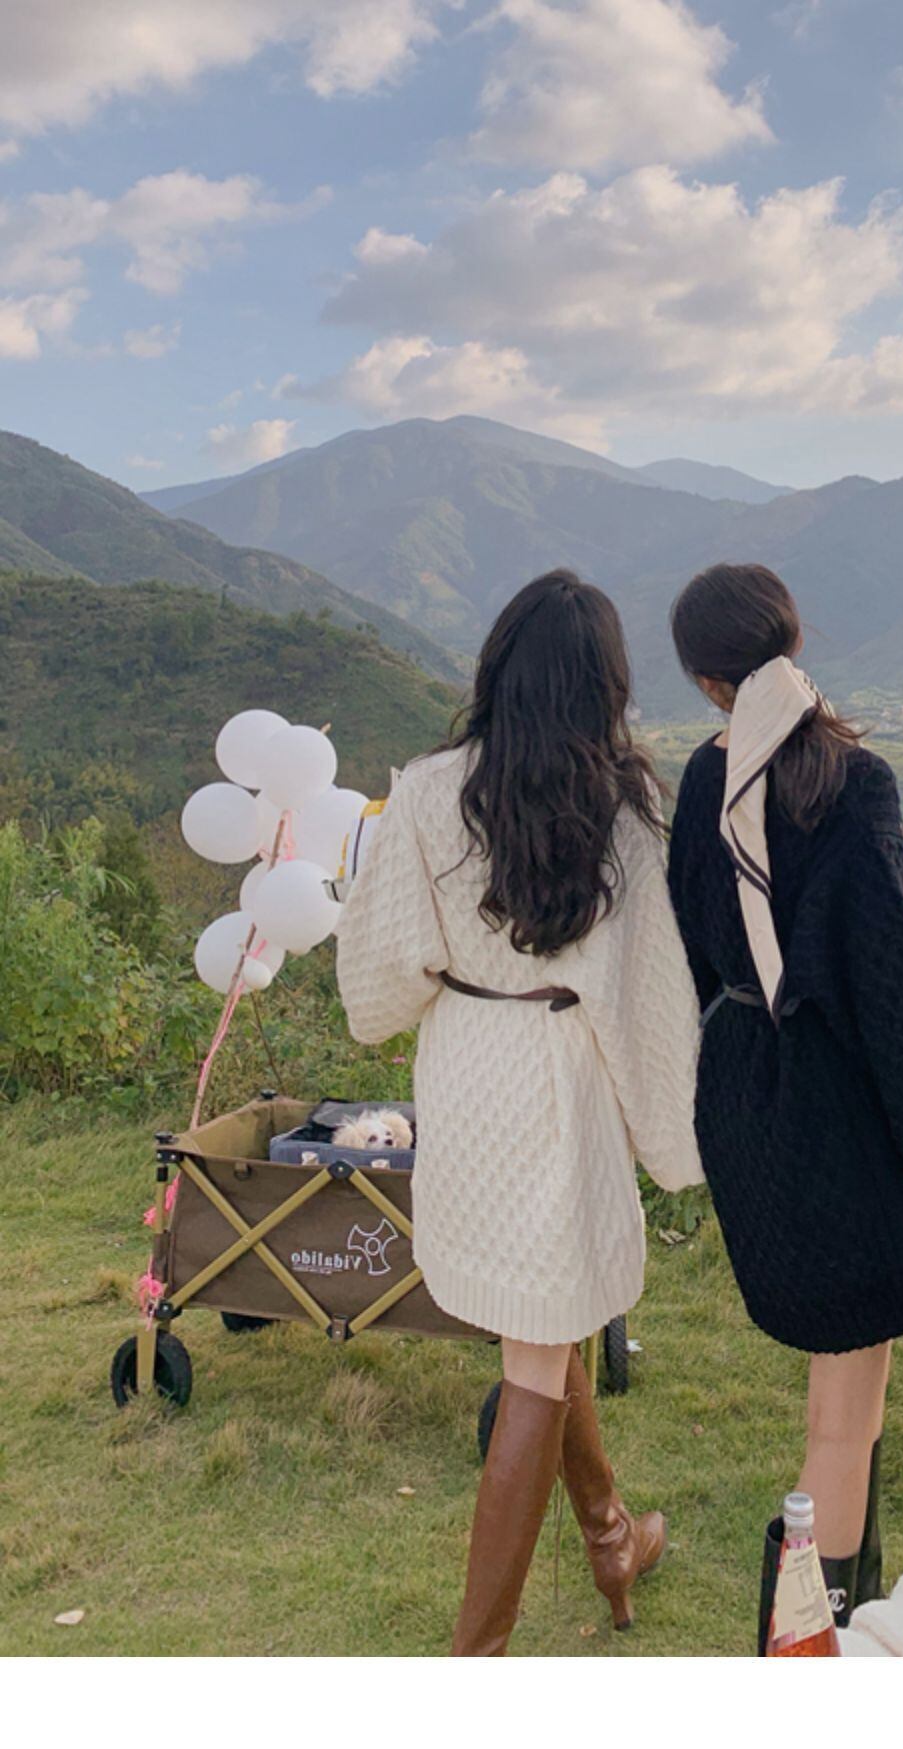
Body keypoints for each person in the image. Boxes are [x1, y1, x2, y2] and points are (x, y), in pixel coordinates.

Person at [337, 569, 703, 1656]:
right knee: (537, 1347)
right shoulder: (624, 811)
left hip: (465, 1066)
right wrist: (675, 1127)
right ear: (604, 684)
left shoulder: (428, 792)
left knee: (543, 1313)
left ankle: (611, 1536)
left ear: (499, 666)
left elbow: (382, 975)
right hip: (561, 1073)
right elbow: (651, 990)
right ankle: (477, 1657)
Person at [665, 562, 903, 1649]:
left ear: (705, 680)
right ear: (792, 638)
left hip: (745, 1099)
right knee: (843, 1416)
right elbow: (892, 988)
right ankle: (813, 1646)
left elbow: (687, 949)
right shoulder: (853, 783)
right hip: (837, 1113)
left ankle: (838, 1621)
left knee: (840, 1393)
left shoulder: (703, 781)